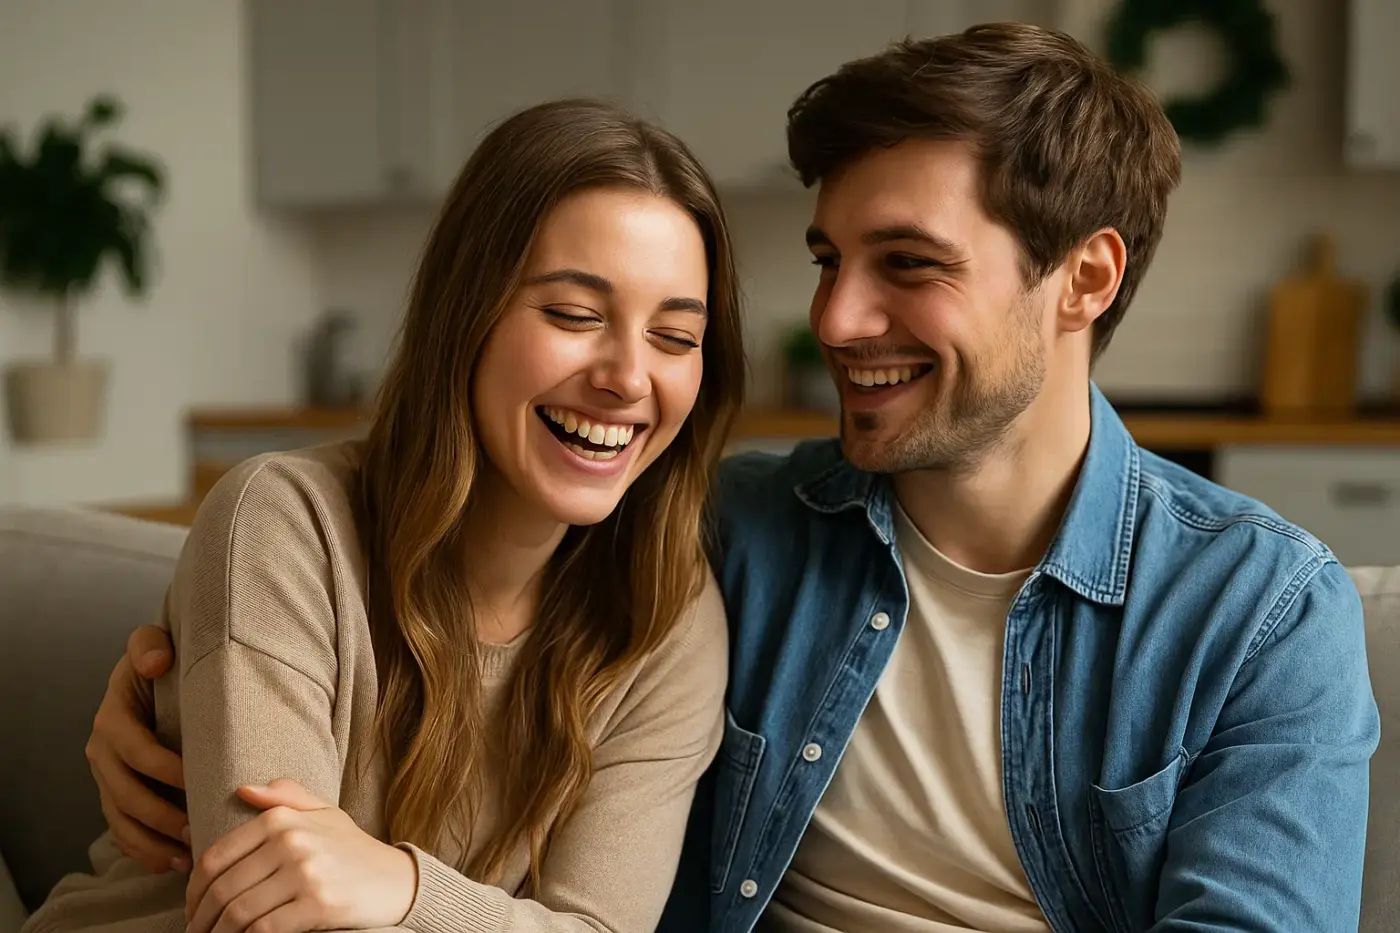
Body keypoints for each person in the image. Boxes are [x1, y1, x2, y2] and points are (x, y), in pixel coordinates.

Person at [87, 22, 1379, 933]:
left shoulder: (1263, 615)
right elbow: (414, 563)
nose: (838, 319)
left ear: (1083, 280)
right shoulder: (726, 538)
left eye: (908, 265)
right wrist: (160, 699)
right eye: (827, 259)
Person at [23, 97, 746, 933]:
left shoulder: (669, 613)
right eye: (574, 315)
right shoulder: (285, 523)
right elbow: (270, 916)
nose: (628, 376)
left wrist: (402, 887)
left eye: (675, 337)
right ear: (464, 314)